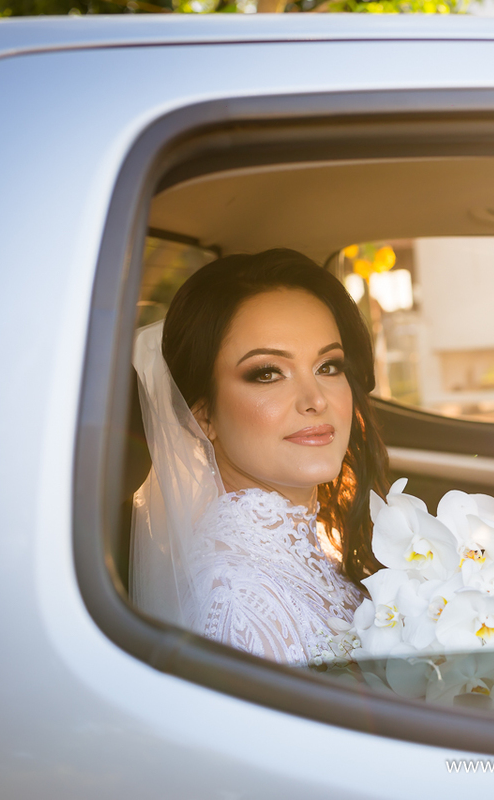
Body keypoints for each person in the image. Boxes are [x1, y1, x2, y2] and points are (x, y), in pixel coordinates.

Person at [130, 249, 389, 664]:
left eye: (328, 366)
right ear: (203, 415)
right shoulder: (237, 599)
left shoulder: (308, 551)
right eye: (268, 372)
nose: (315, 400)